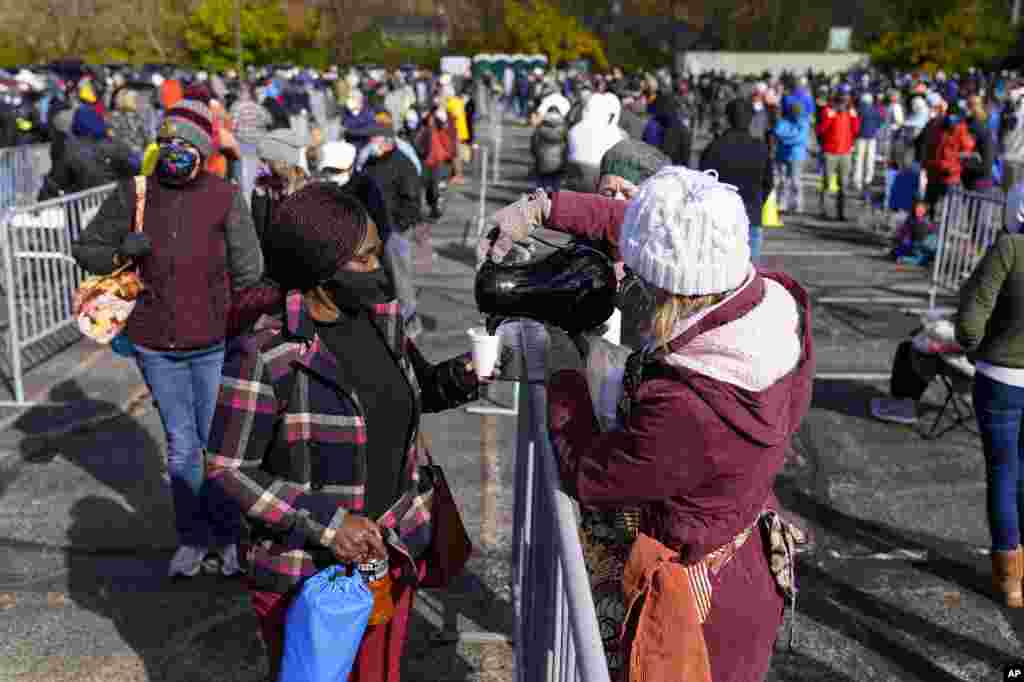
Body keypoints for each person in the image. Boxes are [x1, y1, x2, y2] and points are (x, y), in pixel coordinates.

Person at [479, 166, 814, 682]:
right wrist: (548, 207)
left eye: (641, 274)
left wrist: (565, 371)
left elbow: (592, 473)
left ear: (671, 286)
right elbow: (662, 233)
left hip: (699, 610)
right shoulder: (771, 302)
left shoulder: (692, 405)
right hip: (747, 559)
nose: (632, 280)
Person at [205, 182, 485, 681]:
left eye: (378, 252)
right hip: (307, 574)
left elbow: (416, 393)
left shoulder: (384, 319)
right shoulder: (267, 352)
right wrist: (329, 524)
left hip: (389, 556)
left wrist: (474, 370)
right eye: (364, 258)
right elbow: (227, 467)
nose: (379, 268)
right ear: (319, 268)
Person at [71, 98, 264, 578]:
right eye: (167, 142)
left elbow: (250, 269)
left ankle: (228, 537)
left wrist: (234, 312)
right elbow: (86, 249)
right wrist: (121, 250)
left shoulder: (223, 195)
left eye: (185, 143)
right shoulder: (133, 193)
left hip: (214, 343)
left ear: (202, 149)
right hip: (156, 345)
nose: (175, 150)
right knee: (182, 446)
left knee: (218, 446)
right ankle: (193, 540)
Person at [956, 227, 1024, 609]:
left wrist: (974, 349)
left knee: (1003, 471)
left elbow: (970, 318)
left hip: (1001, 377)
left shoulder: (1011, 248)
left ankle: (1011, 580)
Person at [699, 98, 773, 264]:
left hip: (720, 218)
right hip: (751, 214)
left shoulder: (714, 147)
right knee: (750, 272)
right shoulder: (760, 148)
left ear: (727, 118)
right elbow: (768, 183)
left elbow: (702, 184)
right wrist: (758, 203)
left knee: (721, 272)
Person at [815, 92, 860, 221]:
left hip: (845, 153)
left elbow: (856, 130)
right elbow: (820, 130)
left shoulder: (850, 113)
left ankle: (841, 213)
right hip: (830, 152)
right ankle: (824, 211)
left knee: (844, 185)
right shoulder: (828, 111)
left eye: (845, 101)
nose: (843, 104)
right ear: (836, 101)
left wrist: (854, 117)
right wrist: (830, 117)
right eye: (841, 101)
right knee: (826, 183)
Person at [772, 101, 809, 213]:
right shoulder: (783, 121)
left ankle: (798, 205)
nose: (796, 115)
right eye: (794, 112)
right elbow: (778, 132)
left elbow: (800, 138)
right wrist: (792, 136)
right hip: (782, 155)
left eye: (798, 113)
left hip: (796, 156)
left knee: (796, 181)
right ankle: (782, 204)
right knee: (783, 181)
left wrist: (786, 138)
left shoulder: (804, 122)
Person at [531, 105, 568, 192]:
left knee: (540, 187)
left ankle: (540, 200)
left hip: (541, 163)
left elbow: (533, 147)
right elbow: (568, 148)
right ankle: (555, 200)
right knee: (556, 187)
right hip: (559, 165)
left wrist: (538, 157)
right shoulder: (564, 129)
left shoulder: (539, 129)